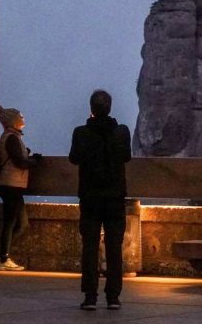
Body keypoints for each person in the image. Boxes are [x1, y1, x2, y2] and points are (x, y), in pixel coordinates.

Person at [69, 90, 131, 311]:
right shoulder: (122, 132)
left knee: (90, 247)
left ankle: (90, 296)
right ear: (110, 107)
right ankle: (113, 296)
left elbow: (74, 158)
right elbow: (126, 156)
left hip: (90, 197)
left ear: (91, 109)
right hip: (114, 198)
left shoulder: (81, 132)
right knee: (114, 247)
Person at [0, 105, 41, 271]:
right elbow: (20, 162)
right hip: (11, 185)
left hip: (10, 185)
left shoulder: (8, 137)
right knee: (12, 222)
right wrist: (35, 161)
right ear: (14, 121)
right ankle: (3, 258)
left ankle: (1, 255)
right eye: (20, 115)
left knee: (20, 223)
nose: (23, 118)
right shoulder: (12, 138)